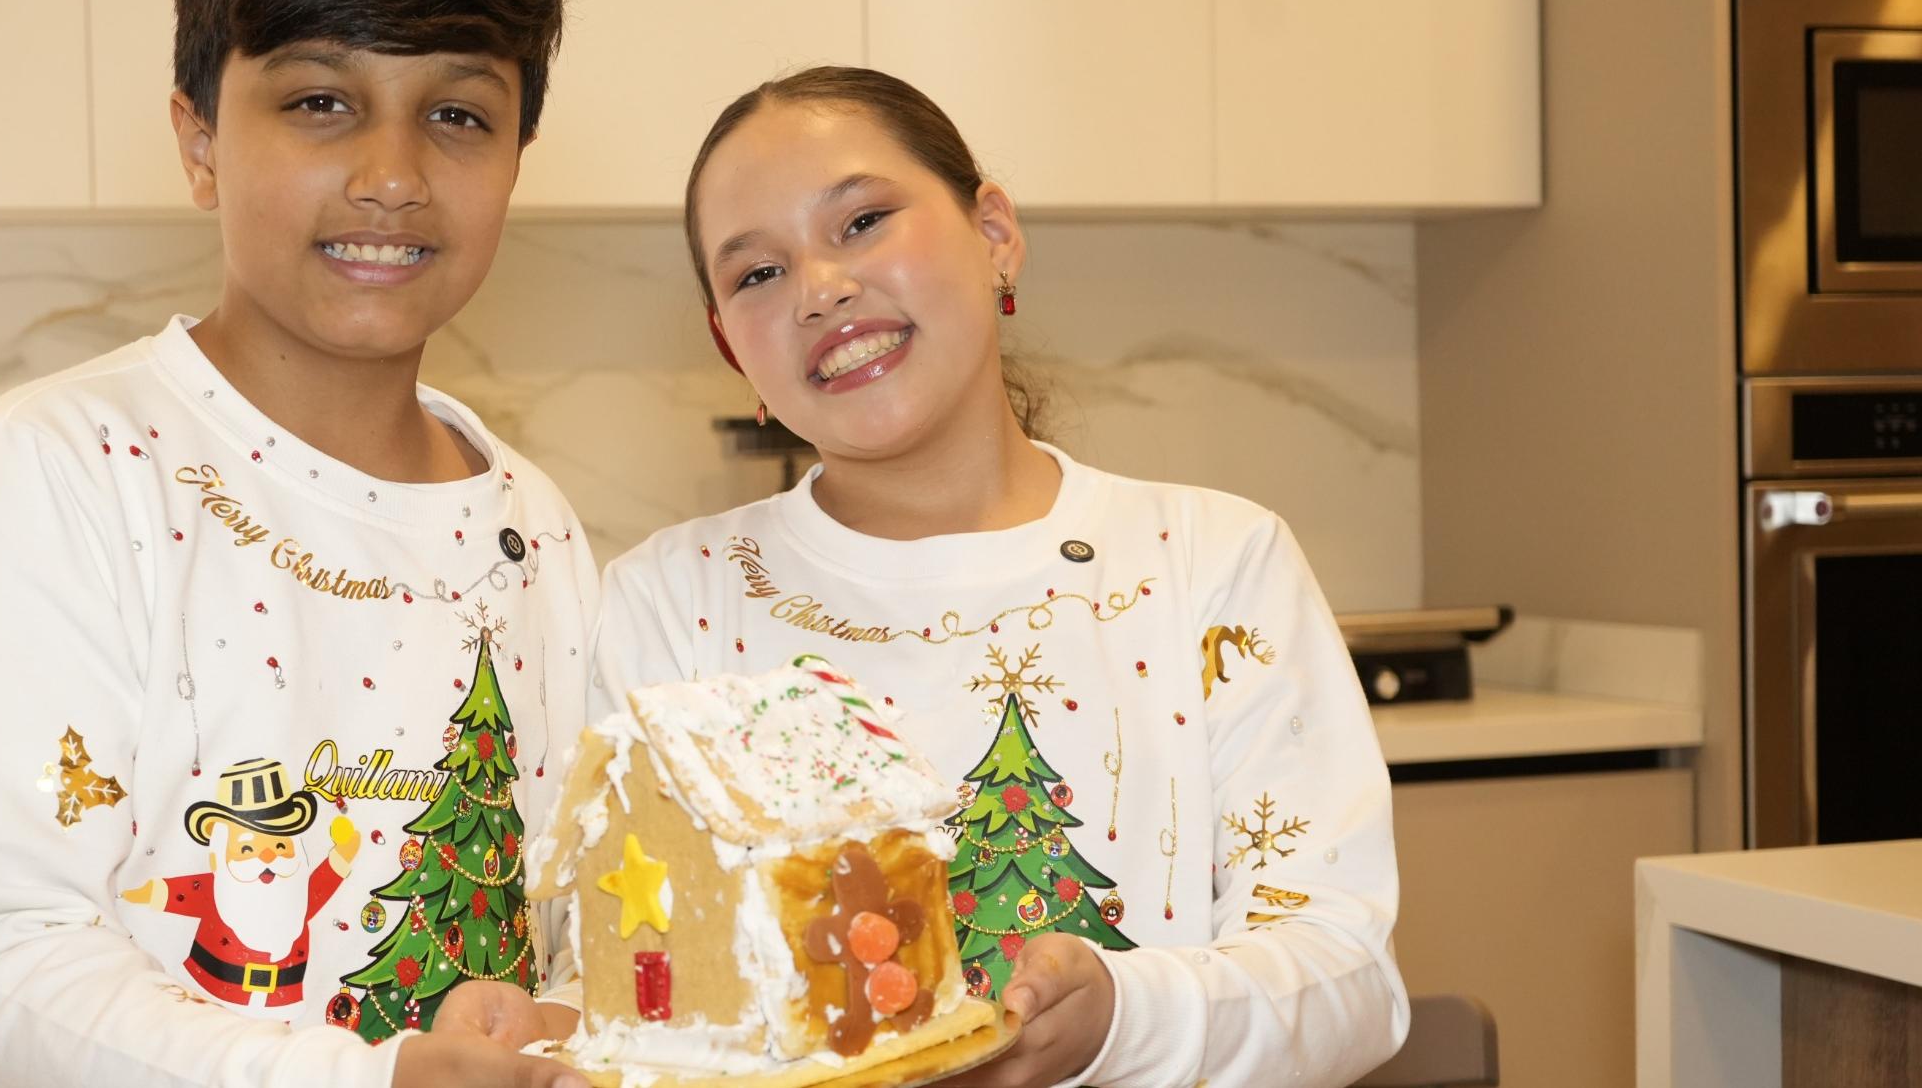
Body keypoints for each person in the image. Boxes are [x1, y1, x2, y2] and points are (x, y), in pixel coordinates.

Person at [588, 67, 1410, 1087]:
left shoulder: (1210, 562)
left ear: (993, 234)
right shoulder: (675, 597)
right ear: (729, 346)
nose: (819, 288)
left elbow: (1345, 978)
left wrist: (1120, 1015)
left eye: (862, 221)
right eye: (756, 274)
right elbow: (639, 990)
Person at [0, 0, 591, 1085]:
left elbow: (567, 934)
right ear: (200, 137)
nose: (393, 175)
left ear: (516, 161)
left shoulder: (535, 527)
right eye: (321, 101)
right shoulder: (63, 469)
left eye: (457, 115)